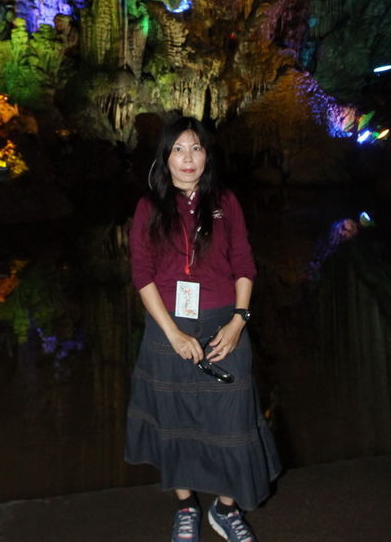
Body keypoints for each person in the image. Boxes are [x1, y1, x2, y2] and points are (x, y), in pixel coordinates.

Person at [125, 116, 280, 542]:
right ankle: (186, 506)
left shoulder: (225, 202)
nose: (187, 157)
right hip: (167, 329)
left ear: (207, 156)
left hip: (224, 325)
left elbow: (244, 262)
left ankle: (226, 509)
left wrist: (239, 321)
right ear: (165, 158)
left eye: (195, 147)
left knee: (234, 423)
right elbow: (142, 275)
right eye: (178, 149)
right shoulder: (148, 208)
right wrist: (173, 334)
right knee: (175, 422)